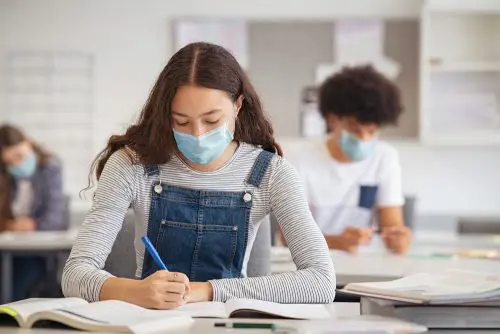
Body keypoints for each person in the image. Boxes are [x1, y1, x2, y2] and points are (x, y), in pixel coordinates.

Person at [62, 42, 336, 309]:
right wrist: (134, 291)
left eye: (212, 120)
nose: (198, 134)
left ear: (238, 106)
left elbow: (321, 281)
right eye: (181, 121)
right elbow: (75, 274)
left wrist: (205, 290)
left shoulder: (272, 173)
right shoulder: (130, 165)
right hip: (149, 322)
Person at [287, 65, 411, 254]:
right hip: (312, 266)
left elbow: (392, 227)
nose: (364, 139)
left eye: (372, 131)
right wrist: (336, 242)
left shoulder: (384, 158)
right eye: (355, 129)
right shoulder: (299, 160)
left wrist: (398, 240)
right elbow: (288, 237)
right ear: (332, 119)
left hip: (363, 268)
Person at [0, 124, 64, 300]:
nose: (16, 164)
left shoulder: (50, 168)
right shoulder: (6, 177)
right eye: (9, 162)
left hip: (36, 251)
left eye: (19, 156)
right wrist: (9, 225)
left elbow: (54, 218)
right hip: (7, 249)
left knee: (16, 281)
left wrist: (31, 224)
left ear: (27, 143)